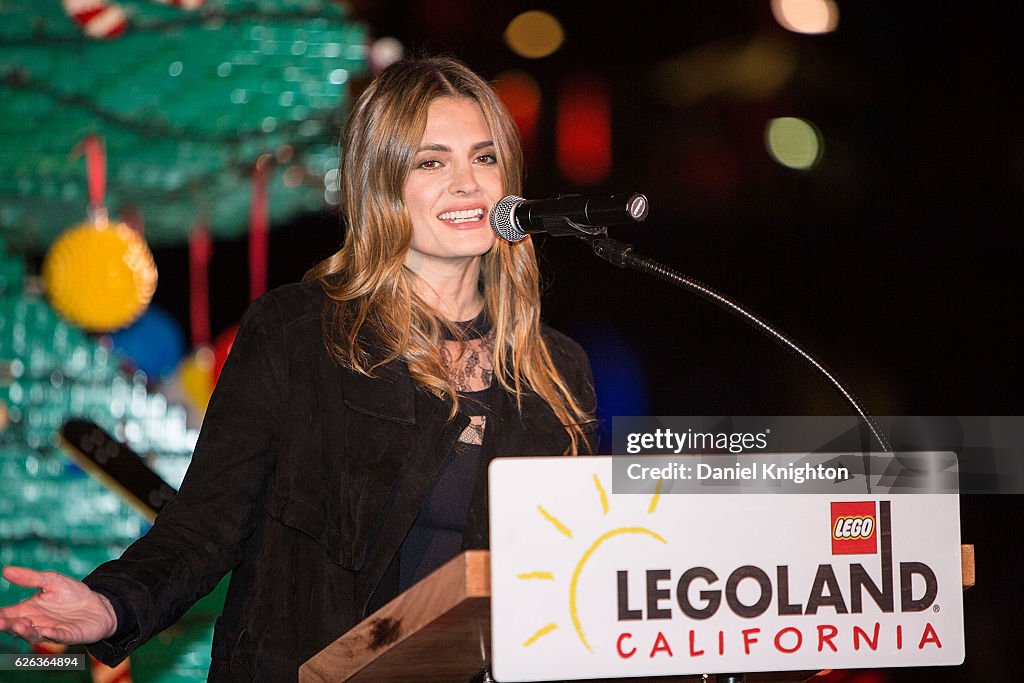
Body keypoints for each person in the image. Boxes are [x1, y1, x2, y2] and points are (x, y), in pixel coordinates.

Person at [0, 56, 596, 680]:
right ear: (381, 185)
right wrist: (109, 604)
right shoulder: (299, 333)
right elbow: (208, 522)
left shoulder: (555, 370)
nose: (468, 184)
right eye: (431, 161)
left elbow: (567, 577)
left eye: (484, 157)